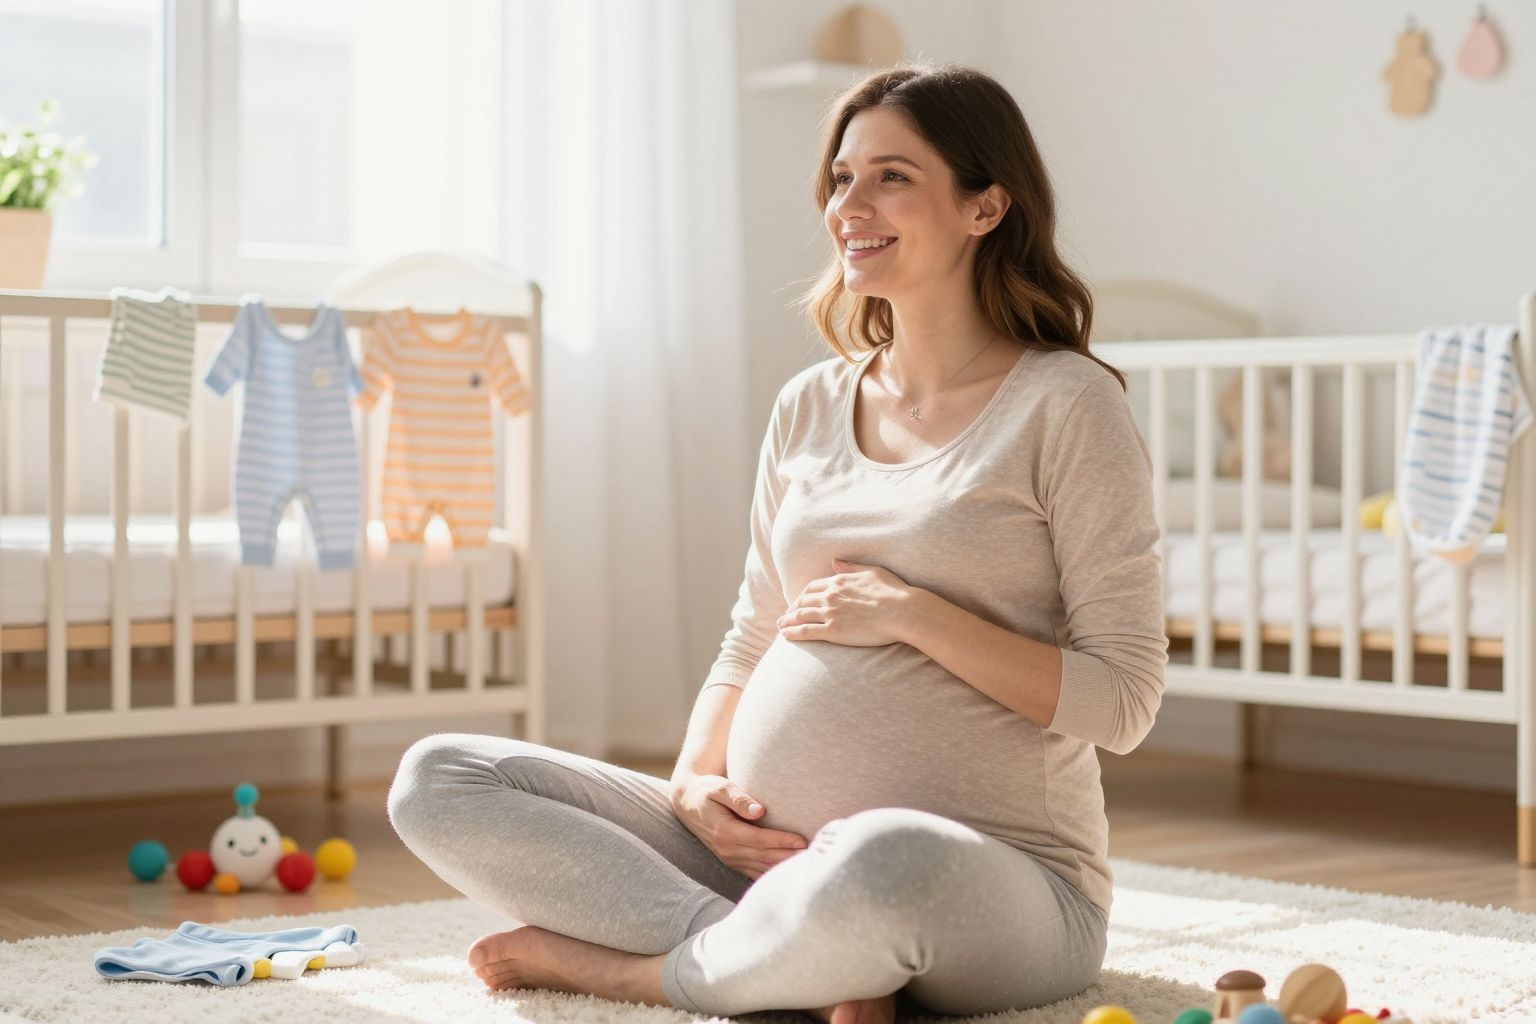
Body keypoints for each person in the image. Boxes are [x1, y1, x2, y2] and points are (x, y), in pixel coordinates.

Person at [386, 60, 1168, 1024]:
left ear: (985, 207)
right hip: (755, 861)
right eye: (841, 178)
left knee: (882, 857)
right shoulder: (809, 404)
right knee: (443, 777)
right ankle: (793, 957)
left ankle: (644, 971)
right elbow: (753, 635)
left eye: (892, 176)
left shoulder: (1067, 404)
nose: (851, 204)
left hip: (991, 885)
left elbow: (1123, 702)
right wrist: (694, 784)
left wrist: (914, 614)